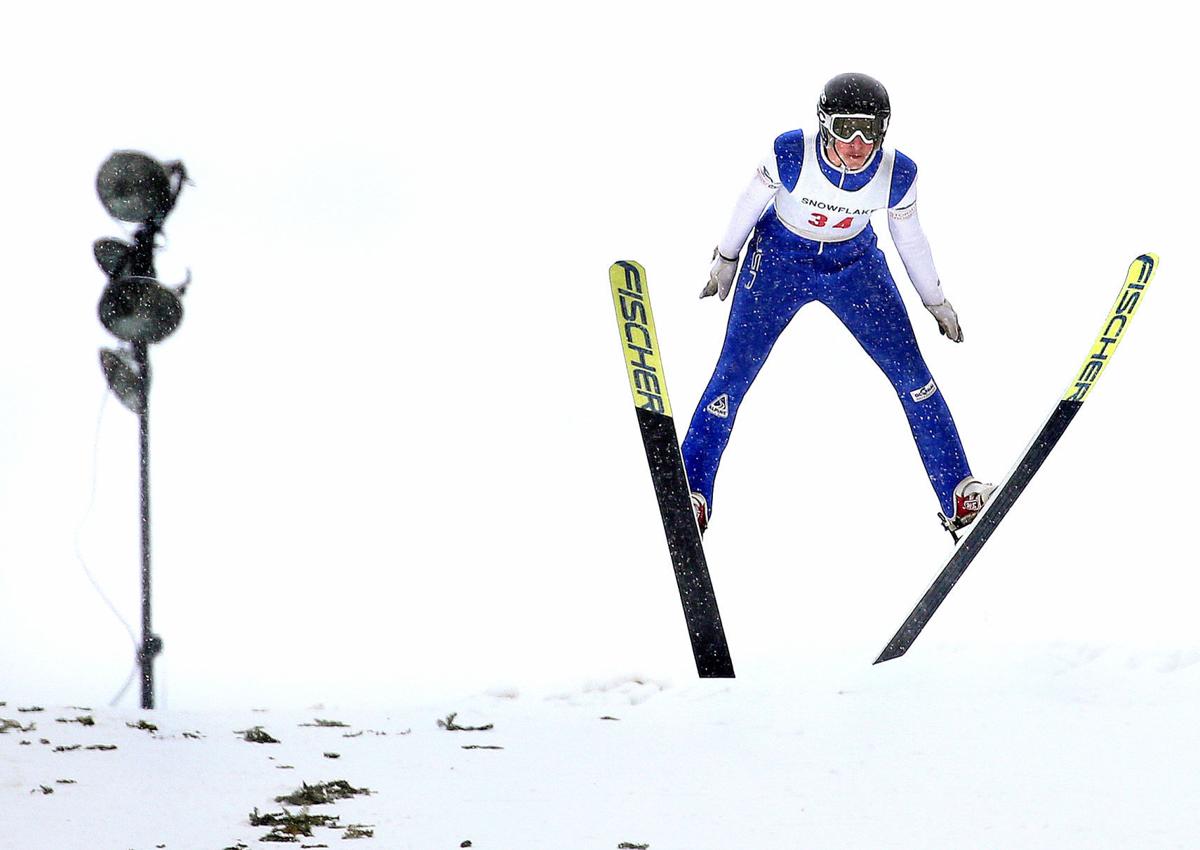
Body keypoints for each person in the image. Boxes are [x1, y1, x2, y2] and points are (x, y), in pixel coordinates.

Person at [684, 72, 993, 537]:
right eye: (846, 126)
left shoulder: (897, 173)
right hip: (779, 262)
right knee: (733, 373)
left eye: (870, 129)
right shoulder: (792, 152)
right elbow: (749, 203)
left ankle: (958, 492)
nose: (856, 141)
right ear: (825, 122)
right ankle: (692, 491)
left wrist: (936, 301)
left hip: (855, 266)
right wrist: (726, 258)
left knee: (913, 375)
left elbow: (909, 239)